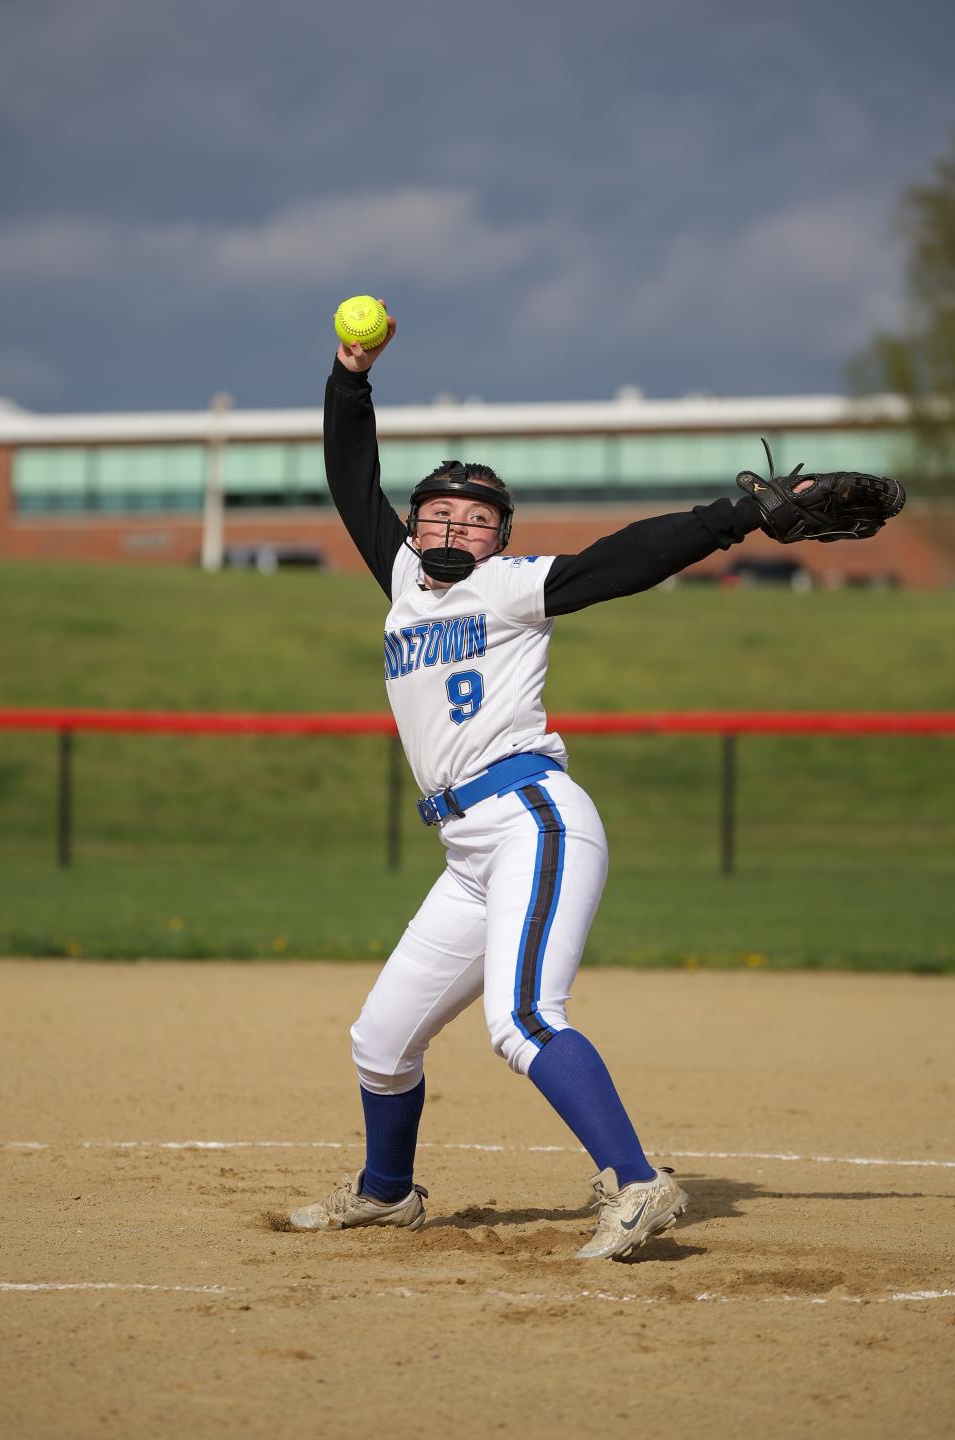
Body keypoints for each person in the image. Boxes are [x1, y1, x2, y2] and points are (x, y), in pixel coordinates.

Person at [289, 305, 771, 1260]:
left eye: (478, 519)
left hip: (530, 819)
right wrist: (351, 380)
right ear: (414, 524)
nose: (455, 526)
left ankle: (638, 1186)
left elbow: (621, 561)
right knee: (381, 1043)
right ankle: (388, 1194)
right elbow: (353, 480)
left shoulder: (507, 587)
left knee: (522, 1019)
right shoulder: (400, 581)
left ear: (498, 537)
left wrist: (736, 518)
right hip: (468, 850)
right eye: (439, 512)